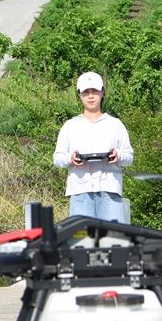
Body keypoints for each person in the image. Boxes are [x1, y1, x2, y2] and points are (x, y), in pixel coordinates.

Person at [52, 71, 134, 222]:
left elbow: (129, 157)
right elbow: (57, 158)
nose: (90, 96)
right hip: (80, 193)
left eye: (94, 91)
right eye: (86, 92)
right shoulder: (70, 125)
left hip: (110, 192)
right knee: (81, 236)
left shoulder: (115, 124)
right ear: (79, 95)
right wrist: (70, 158)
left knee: (114, 235)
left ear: (102, 92)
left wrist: (118, 155)